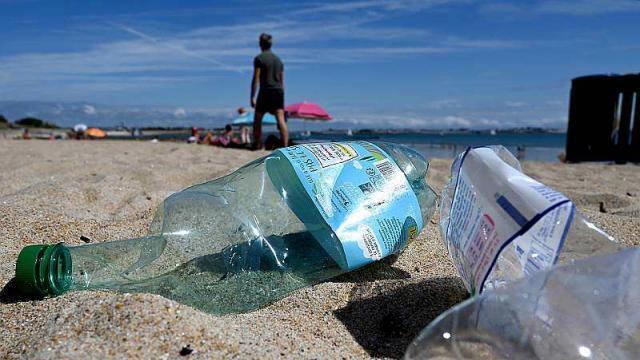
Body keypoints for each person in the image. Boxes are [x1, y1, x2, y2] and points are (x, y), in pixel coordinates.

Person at [251, 33, 288, 149]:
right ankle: (285, 146)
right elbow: (282, 82)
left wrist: (252, 96)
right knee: (281, 120)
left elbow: (256, 78)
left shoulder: (259, 58)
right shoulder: (278, 60)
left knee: (257, 119)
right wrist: (282, 96)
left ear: (260, 44)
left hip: (265, 91)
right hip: (278, 91)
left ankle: (257, 145)